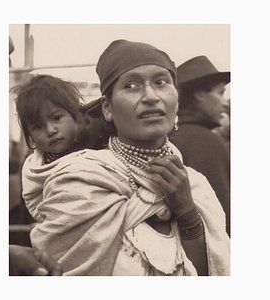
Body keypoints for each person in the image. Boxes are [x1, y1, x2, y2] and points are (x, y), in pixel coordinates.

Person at [28, 40, 230, 276]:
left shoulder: (196, 186)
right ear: (107, 108)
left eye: (161, 82)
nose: (150, 96)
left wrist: (187, 211)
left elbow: (216, 274)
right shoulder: (79, 180)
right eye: (132, 85)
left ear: (176, 100)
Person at [169, 56, 230, 236]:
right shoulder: (205, 141)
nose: (224, 102)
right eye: (220, 93)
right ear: (199, 94)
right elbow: (222, 215)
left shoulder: (174, 136)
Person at [14, 74, 85, 221]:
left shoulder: (96, 150)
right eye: (38, 126)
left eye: (57, 118)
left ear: (75, 115)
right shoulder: (33, 169)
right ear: (30, 135)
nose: (50, 130)